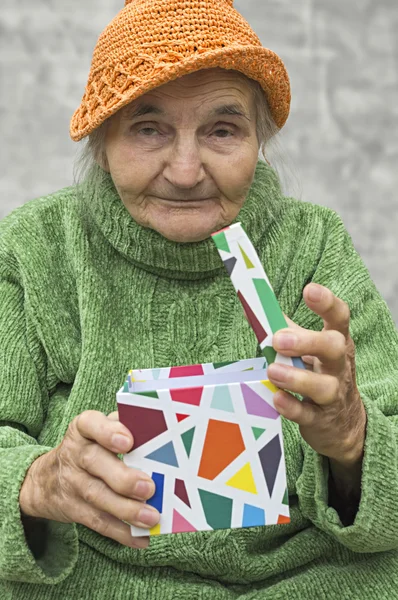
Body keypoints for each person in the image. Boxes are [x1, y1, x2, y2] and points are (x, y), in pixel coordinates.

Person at [0, 0, 397, 598]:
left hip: (302, 577)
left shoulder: (313, 243)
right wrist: (35, 483)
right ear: (101, 141)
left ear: (258, 141)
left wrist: (352, 439)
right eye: (148, 127)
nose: (186, 172)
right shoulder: (37, 248)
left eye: (221, 129)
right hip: (95, 578)